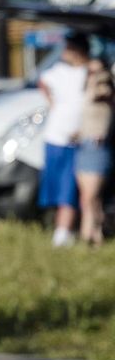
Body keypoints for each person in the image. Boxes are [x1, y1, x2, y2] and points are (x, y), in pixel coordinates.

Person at [38, 33, 91, 248]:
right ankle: (62, 230)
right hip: (55, 137)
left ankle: (64, 232)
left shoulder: (89, 72)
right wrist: (52, 102)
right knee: (57, 187)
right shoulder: (58, 71)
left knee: (69, 187)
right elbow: (42, 81)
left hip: (77, 140)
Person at [76, 56, 111, 246]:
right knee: (87, 198)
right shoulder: (85, 94)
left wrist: (100, 78)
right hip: (83, 146)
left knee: (91, 196)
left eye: (96, 72)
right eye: (89, 72)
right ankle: (91, 235)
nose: (93, 75)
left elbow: (105, 90)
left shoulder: (104, 89)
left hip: (97, 148)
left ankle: (94, 233)